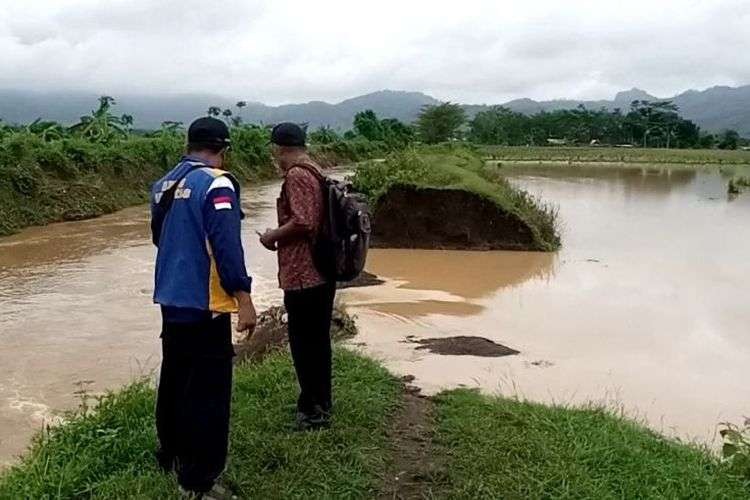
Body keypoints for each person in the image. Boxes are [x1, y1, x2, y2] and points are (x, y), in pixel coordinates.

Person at [150, 117, 257, 498]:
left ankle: (171, 455)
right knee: (208, 391)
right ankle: (198, 480)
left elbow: (159, 238)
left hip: (171, 296)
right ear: (223, 149)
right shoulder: (217, 183)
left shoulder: (165, 183)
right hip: (205, 302)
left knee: (176, 378)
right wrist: (243, 298)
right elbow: (227, 247)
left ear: (190, 143)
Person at [259, 122, 336, 430]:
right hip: (321, 269)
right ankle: (320, 401)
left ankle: (313, 410)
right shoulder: (314, 169)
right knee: (317, 340)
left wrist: (272, 236)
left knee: (304, 341)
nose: (274, 156)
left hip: (304, 273)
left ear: (280, 148)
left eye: (273, 149)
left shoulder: (297, 175)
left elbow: (304, 222)